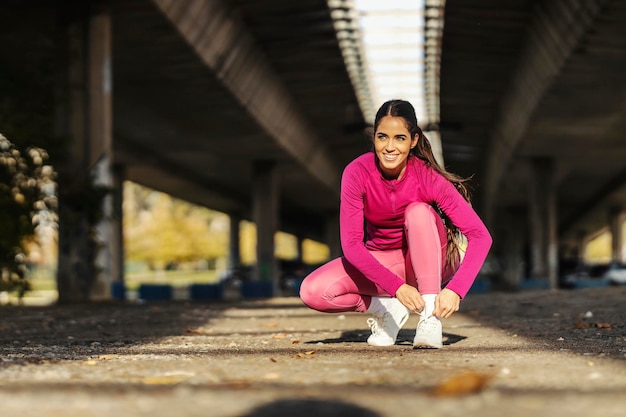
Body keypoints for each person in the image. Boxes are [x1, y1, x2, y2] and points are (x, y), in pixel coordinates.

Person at [299, 99, 492, 349]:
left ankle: (429, 318)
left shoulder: (426, 176)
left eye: (399, 138)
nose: (390, 147)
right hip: (385, 265)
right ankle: (388, 310)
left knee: (418, 212)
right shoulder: (356, 173)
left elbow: (480, 235)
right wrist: (396, 289)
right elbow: (352, 245)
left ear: (413, 141)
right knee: (313, 291)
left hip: (430, 261)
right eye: (382, 137)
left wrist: (456, 289)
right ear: (374, 138)